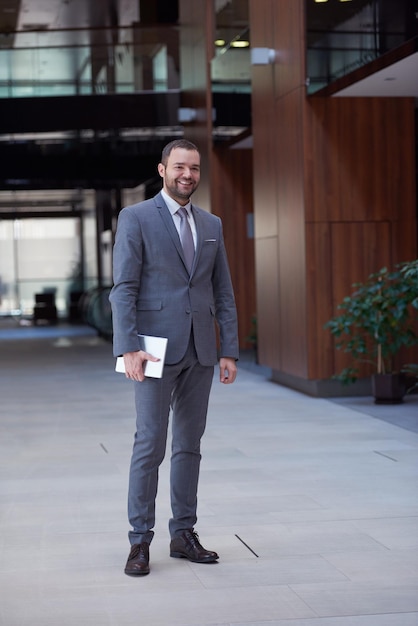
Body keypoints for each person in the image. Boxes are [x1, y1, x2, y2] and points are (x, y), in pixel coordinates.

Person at [109, 139, 239, 576]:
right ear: (163, 169)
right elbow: (123, 287)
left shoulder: (212, 224)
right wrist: (127, 346)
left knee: (189, 446)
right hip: (152, 350)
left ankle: (183, 534)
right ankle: (139, 541)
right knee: (150, 444)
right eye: (180, 166)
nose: (188, 174)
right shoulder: (136, 217)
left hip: (201, 351)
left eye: (195, 168)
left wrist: (230, 350)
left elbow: (222, 291)